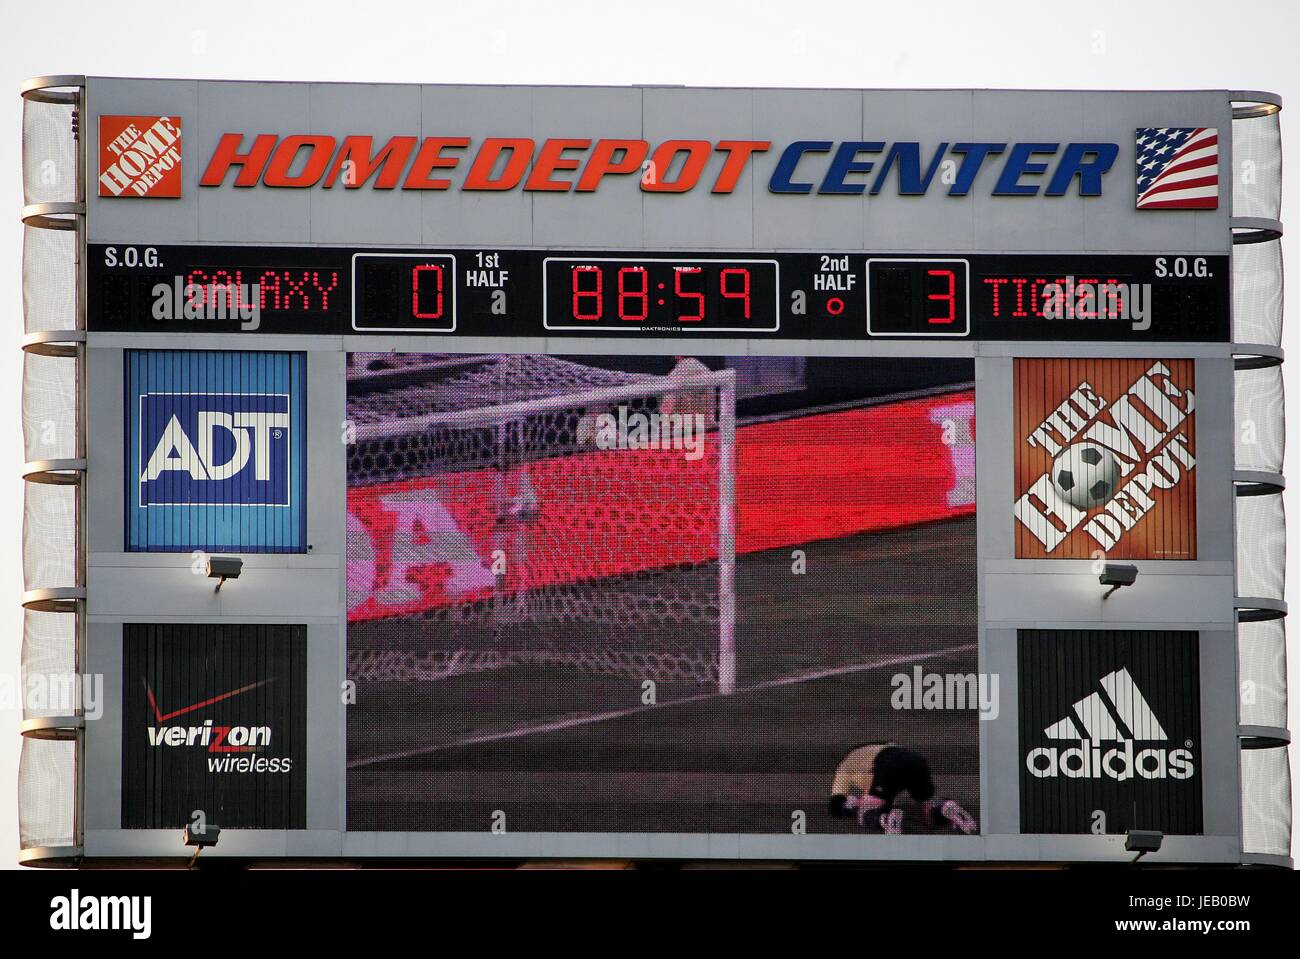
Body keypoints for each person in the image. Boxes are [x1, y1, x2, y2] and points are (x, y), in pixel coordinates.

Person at [828, 742, 977, 835]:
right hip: (915, 760)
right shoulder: (871, 750)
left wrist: (855, 806)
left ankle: (884, 819)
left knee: (865, 814)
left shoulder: (845, 768)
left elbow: (836, 801)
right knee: (926, 809)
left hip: (887, 762)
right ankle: (944, 808)